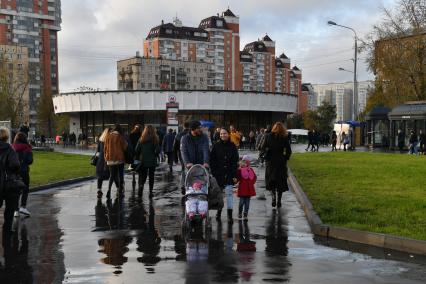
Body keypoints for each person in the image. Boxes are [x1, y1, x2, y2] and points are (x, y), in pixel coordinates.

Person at [210, 127, 239, 223]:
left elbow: (235, 161)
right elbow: (212, 160)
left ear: (228, 134)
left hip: (230, 174)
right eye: (221, 134)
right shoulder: (216, 146)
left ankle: (230, 215)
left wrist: (234, 174)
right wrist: (214, 173)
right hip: (219, 174)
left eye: (225, 133)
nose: (223, 135)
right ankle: (219, 212)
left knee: (229, 194)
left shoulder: (232, 146)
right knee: (220, 195)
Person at [260, 122, 292, 208]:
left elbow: (262, 148)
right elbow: (289, 150)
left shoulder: (268, 136)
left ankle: (273, 197)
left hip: (270, 161)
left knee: (271, 180)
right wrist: (286, 158)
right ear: (282, 129)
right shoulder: (284, 137)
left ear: (273, 128)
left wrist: (264, 155)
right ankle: (279, 200)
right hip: (280, 162)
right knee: (280, 181)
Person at [0, 128, 21, 234]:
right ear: (6, 136)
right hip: (8, 181)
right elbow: (16, 165)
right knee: (10, 207)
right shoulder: (9, 149)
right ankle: (7, 229)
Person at [135, 125, 160, 198]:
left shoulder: (141, 139)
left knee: (143, 176)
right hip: (152, 161)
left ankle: (141, 187)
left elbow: (136, 150)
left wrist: (139, 157)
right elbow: (158, 150)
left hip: (143, 161)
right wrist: (155, 154)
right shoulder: (155, 139)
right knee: (151, 176)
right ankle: (151, 191)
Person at [11, 132, 33, 217]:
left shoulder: (12, 147)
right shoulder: (27, 148)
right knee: (25, 188)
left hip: (14, 172)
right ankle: (23, 206)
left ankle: (15, 210)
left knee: (16, 190)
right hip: (24, 171)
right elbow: (30, 161)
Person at [104, 124, 128, 199]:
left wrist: (106, 158)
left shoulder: (107, 136)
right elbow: (125, 147)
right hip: (119, 158)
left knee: (112, 175)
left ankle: (109, 190)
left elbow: (105, 148)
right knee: (120, 175)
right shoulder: (120, 137)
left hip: (110, 158)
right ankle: (120, 190)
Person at [236, 155, 257, 220]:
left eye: (245, 163)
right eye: (243, 162)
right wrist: (238, 171)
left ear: (248, 163)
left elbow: (254, 177)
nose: (244, 164)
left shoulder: (250, 170)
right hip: (242, 188)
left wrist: (251, 183)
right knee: (241, 202)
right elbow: (238, 177)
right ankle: (240, 212)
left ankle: (245, 214)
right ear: (241, 163)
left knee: (247, 203)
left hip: (249, 189)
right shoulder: (240, 170)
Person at [173, 122, 190, 194]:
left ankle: (183, 185)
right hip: (191, 154)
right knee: (192, 169)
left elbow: (174, 148)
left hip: (181, 155)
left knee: (184, 169)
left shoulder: (178, 135)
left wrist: (175, 158)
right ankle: (191, 185)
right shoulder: (192, 134)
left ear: (183, 126)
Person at [95, 128, 110, 199]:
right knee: (113, 175)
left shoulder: (101, 140)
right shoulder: (109, 140)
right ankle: (117, 189)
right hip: (108, 159)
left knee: (100, 176)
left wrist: (96, 159)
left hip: (100, 160)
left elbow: (97, 151)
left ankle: (99, 190)